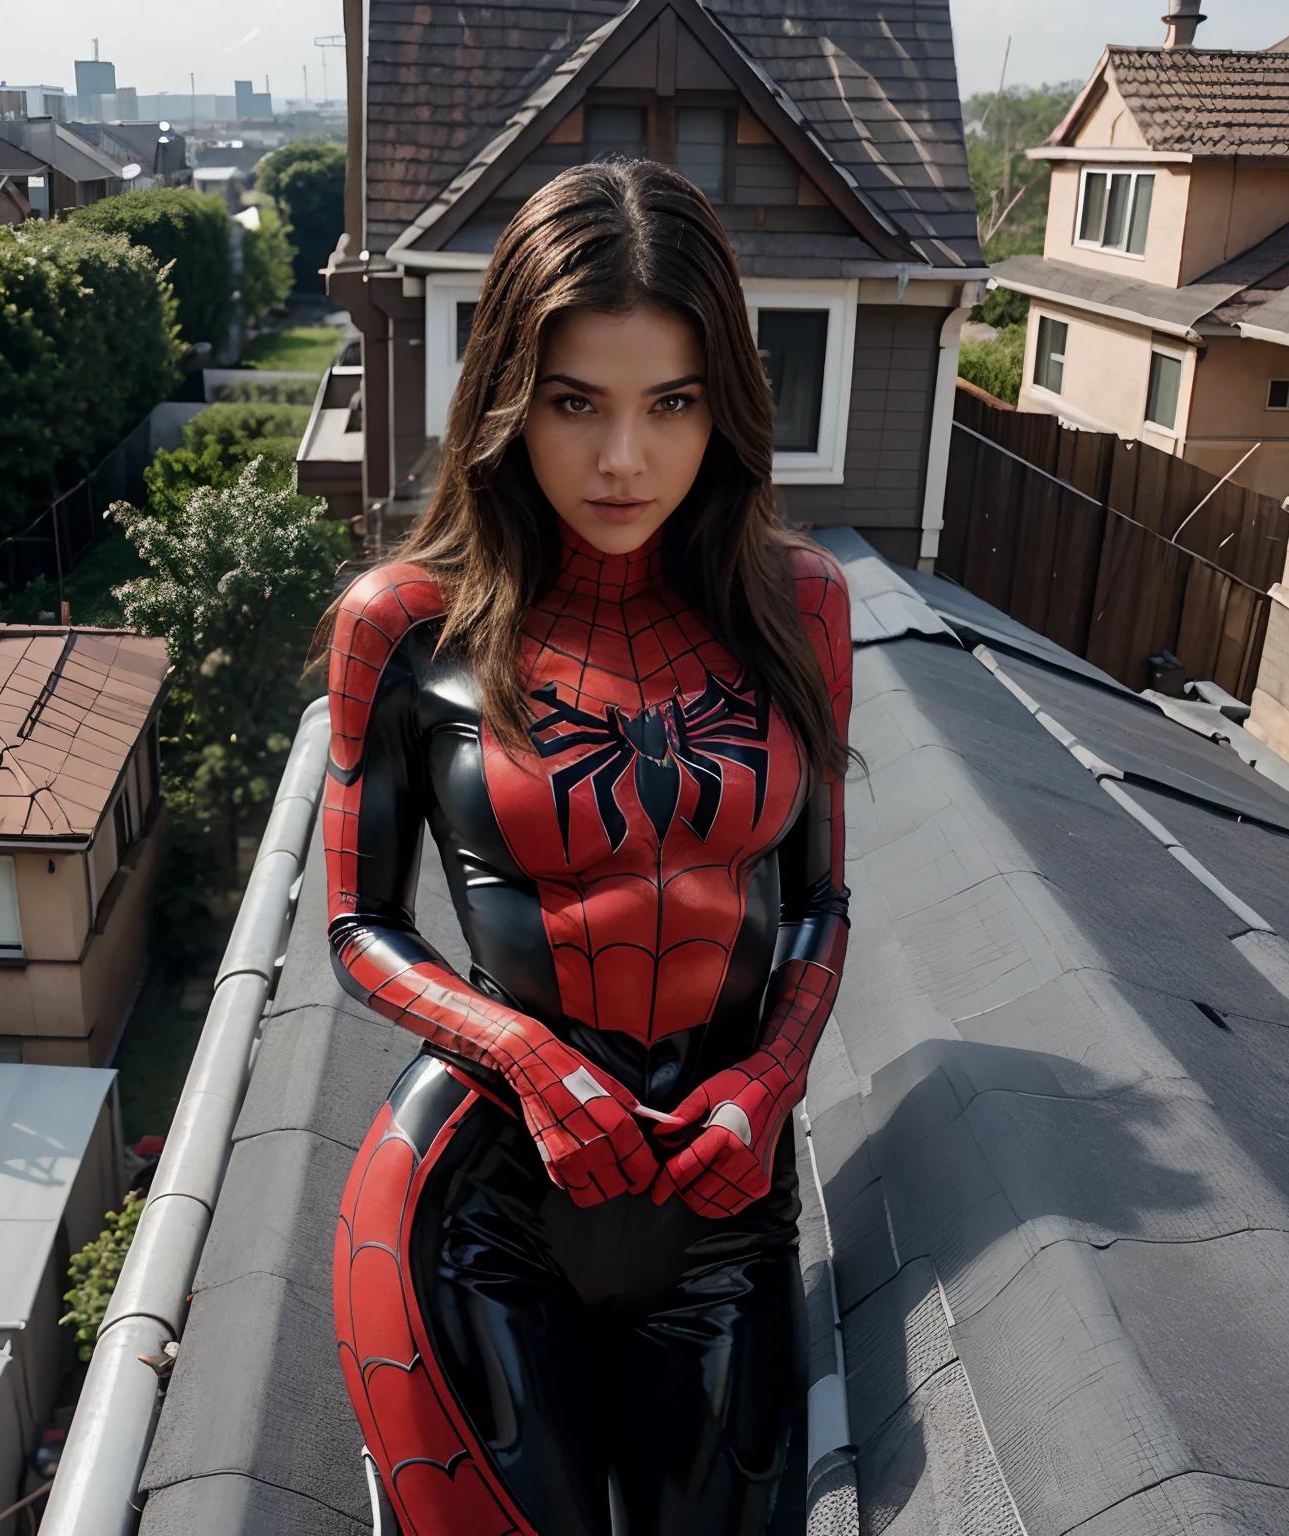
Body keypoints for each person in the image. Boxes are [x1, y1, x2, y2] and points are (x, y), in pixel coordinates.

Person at [319, 158, 852, 1536]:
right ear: (507, 397)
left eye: (671, 403)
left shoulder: (803, 608)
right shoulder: (401, 621)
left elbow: (819, 903)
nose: (625, 459)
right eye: (576, 403)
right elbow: (355, 926)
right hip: (482, 1200)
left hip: (719, 1202)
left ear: (723, 404)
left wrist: (770, 1085)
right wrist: (526, 1054)